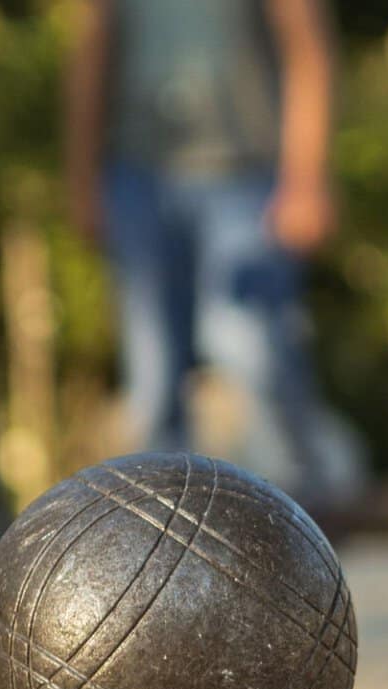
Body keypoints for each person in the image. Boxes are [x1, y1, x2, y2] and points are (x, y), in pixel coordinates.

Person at [64, 0, 344, 508]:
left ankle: (306, 517)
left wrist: (307, 178)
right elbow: (91, 48)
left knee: (251, 348)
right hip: (138, 176)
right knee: (152, 376)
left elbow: (306, 46)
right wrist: (83, 179)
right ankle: (159, 540)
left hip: (244, 176)